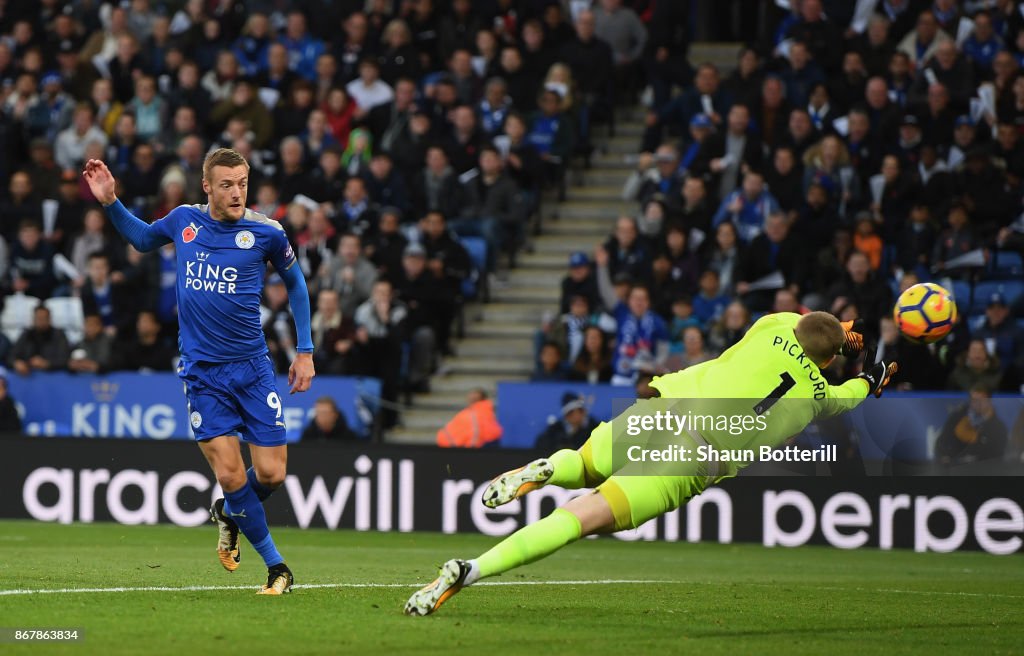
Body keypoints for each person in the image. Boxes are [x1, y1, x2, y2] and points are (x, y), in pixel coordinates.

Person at [405, 312, 895, 615]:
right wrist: (868, 378)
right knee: (580, 517)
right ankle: (468, 570)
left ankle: (547, 470)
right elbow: (848, 395)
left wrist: (844, 334)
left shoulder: (770, 327)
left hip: (667, 408)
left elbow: (808, 326)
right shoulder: (815, 397)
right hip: (693, 456)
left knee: (582, 463)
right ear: (828, 361)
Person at [82, 149, 314, 596]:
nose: (237, 192)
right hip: (203, 375)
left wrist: (304, 351)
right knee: (230, 474)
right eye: (227, 184)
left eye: (243, 182)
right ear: (206, 186)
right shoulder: (184, 220)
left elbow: (297, 283)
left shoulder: (266, 232)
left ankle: (230, 512)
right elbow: (143, 239)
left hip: (252, 370)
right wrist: (111, 201)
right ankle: (277, 567)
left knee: (271, 475)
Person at [533, 392, 601, 452]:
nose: (576, 415)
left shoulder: (596, 427)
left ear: (584, 412)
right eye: (571, 413)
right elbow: (541, 446)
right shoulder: (555, 430)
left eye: (580, 410)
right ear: (566, 416)